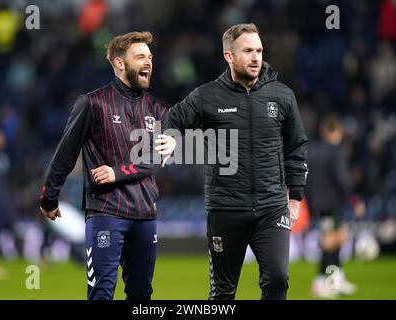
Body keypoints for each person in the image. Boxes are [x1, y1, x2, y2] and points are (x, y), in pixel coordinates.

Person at [158, 23, 308, 300]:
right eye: (248, 50)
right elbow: (173, 117)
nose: (256, 57)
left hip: (272, 207)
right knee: (223, 293)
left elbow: (296, 147)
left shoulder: (282, 95)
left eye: (259, 50)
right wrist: (170, 136)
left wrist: (295, 196)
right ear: (229, 56)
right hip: (225, 208)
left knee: (277, 278)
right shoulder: (207, 96)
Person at [39, 31, 169, 300]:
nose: (148, 62)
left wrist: (116, 172)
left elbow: (155, 159)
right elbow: (66, 152)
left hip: (145, 215)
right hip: (106, 212)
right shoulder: (92, 103)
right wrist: (49, 197)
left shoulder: (157, 108)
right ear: (120, 64)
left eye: (150, 57)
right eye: (140, 57)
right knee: (101, 292)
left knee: (142, 295)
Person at [306, 113, 365, 299]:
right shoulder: (338, 151)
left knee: (339, 237)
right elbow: (342, 179)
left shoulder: (312, 150)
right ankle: (320, 281)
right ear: (338, 130)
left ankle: (336, 279)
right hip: (333, 202)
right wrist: (354, 200)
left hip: (318, 202)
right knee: (330, 241)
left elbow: (306, 177)